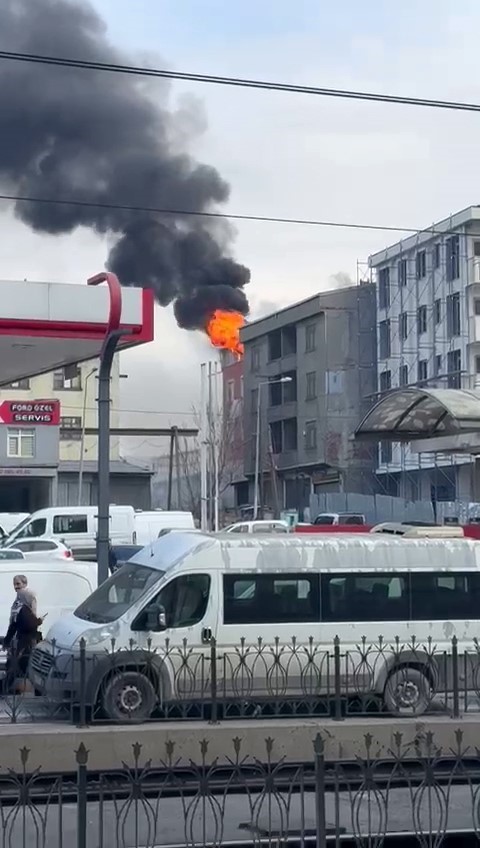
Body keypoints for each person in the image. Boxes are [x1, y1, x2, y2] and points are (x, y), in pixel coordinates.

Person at [4, 587, 43, 691]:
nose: (34, 601)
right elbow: (29, 625)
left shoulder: (22, 609)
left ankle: (10, 687)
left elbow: (13, 626)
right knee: (21, 667)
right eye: (32, 598)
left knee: (18, 667)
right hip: (26, 643)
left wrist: (7, 640)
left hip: (23, 643)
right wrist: (39, 621)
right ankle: (9, 688)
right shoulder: (25, 611)